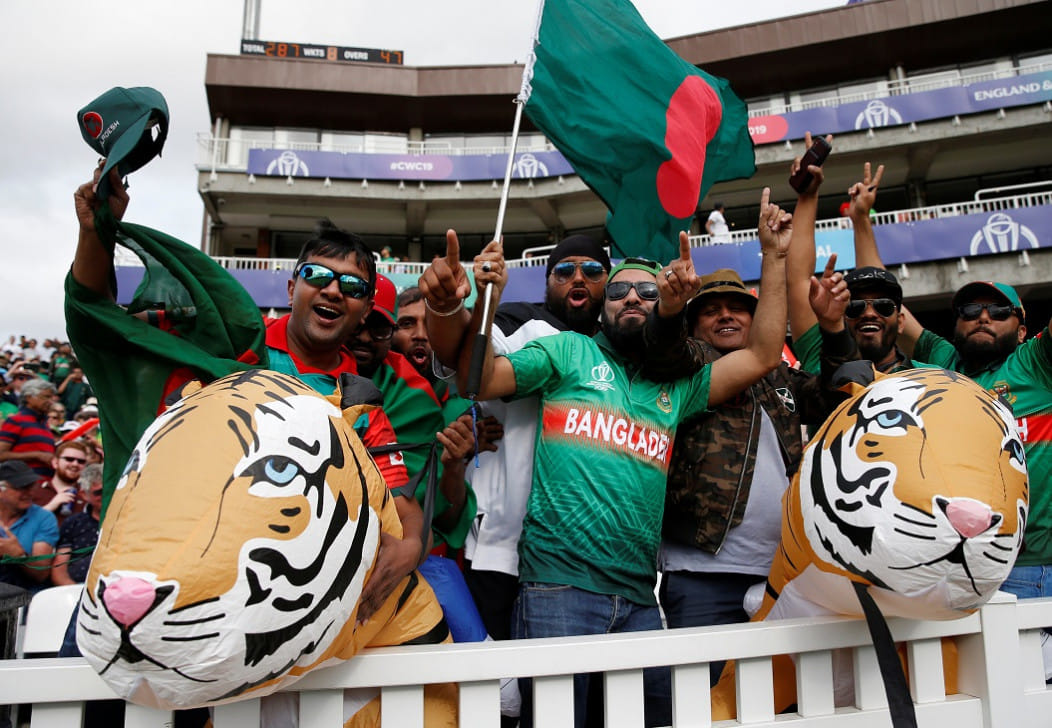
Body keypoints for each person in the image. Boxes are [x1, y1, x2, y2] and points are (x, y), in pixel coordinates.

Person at [422, 188, 794, 728]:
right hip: (557, 589)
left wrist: (775, 257)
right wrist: (469, 304)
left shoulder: (679, 387)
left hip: (641, 598)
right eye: (619, 290)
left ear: (666, 306)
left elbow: (761, 354)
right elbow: (477, 380)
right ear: (603, 306)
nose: (633, 298)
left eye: (648, 291)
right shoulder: (567, 351)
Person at [71, 162, 424, 623]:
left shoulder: (360, 401)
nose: (334, 290)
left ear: (364, 312)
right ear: (292, 286)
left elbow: (400, 501)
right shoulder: (228, 342)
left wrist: (412, 545)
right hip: (150, 569)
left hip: (259, 604)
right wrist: (94, 231)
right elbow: (103, 322)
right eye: (318, 275)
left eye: (353, 286)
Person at [651, 263, 853, 685]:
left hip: (782, 569)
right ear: (693, 326)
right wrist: (670, 310)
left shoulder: (778, 375)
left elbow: (840, 397)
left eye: (738, 308)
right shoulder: (686, 368)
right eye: (712, 310)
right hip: (701, 572)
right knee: (703, 698)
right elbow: (664, 347)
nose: (726, 316)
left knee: (784, 696)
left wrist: (834, 327)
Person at [426, 233, 611, 655]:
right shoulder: (521, 321)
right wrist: (458, 305)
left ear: (609, 280)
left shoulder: (618, 347)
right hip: (503, 550)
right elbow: (464, 362)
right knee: (497, 686)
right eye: (564, 271)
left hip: (587, 558)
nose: (578, 278)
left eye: (591, 270)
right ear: (547, 282)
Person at [348, 273, 482, 550]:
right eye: (407, 324)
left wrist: (455, 464)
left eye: (431, 324)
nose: (420, 334)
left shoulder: (460, 406)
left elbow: (442, 516)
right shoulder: (306, 371)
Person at [0, 460, 58, 592]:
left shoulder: (43, 518)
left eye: (31, 486)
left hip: (22, 593)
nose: (29, 493)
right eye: (21, 487)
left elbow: (41, 573)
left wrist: (19, 555)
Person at [51, 463, 103, 585]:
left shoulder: (128, 519)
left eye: (111, 490)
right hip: (77, 587)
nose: (106, 495)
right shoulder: (73, 523)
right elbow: (59, 570)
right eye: (99, 492)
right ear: (84, 495)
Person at [0, 377, 58, 479]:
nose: (50, 402)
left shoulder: (45, 425)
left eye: (51, 398)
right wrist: (37, 455)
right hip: (20, 482)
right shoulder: (16, 421)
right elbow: (1, 455)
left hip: (43, 483)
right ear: (29, 398)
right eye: (46, 397)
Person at [32, 440, 89, 526]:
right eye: (69, 459)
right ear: (55, 462)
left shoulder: (88, 496)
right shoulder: (35, 492)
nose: (75, 464)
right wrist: (51, 506)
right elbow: (21, 527)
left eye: (81, 461)